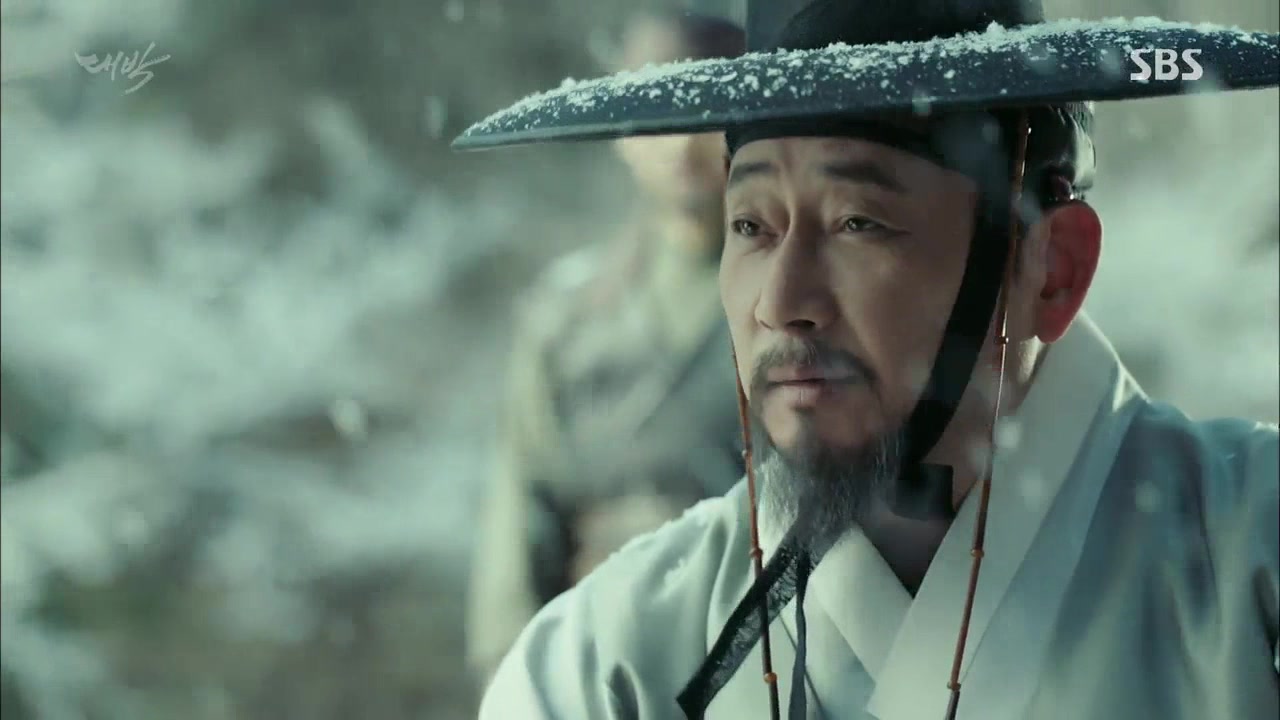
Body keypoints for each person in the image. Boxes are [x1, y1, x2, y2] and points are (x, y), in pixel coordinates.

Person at [454, 0, 1280, 718]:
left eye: (858, 222)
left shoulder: (1255, 562)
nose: (781, 301)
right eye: (751, 226)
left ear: (1050, 269)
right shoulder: (608, 659)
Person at [464, 10, 748, 691]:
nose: (682, 139)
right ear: (622, 135)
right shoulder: (567, 320)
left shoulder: (797, 306)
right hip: (597, 657)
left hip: (759, 646)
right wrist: (517, 676)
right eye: (657, 111)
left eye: (705, 109)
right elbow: (523, 511)